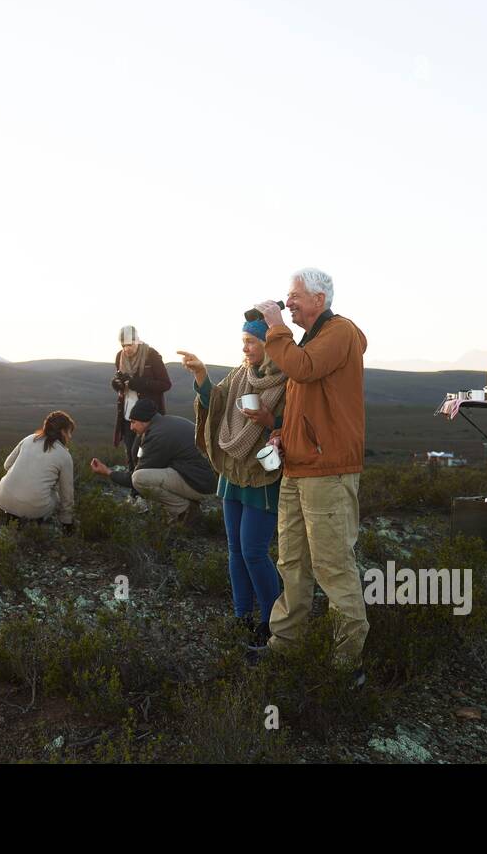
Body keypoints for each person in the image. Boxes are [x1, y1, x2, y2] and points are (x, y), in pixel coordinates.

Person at [252, 267, 369, 688]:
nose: (290, 302)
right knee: (293, 563)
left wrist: (276, 328)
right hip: (298, 469)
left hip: (328, 472)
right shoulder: (309, 341)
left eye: (295, 295)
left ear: (320, 298)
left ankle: (346, 665)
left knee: (333, 566)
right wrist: (283, 434)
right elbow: (306, 400)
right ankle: (286, 645)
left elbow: (302, 369)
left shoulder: (340, 333)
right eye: (288, 296)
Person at [177, 318, 287, 651]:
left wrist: (271, 422)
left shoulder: (288, 380)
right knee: (235, 551)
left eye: (251, 342)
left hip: (263, 475)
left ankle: (271, 622)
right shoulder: (240, 374)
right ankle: (242, 617)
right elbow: (217, 402)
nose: (245, 348)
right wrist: (201, 377)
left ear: (269, 345)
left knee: (254, 552)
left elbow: (296, 423)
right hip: (232, 474)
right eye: (243, 341)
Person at [90, 398, 215, 526]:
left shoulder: (157, 435)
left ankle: (185, 510)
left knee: (140, 479)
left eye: (133, 422)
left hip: (201, 484)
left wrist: (108, 472)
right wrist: (139, 440)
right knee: (148, 474)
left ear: (145, 421)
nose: (131, 427)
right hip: (204, 479)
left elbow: (135, 476)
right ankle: (187, 505)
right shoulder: (164, 423)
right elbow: (139, 455)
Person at [0, 410, 77, 530]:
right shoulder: (64, 455)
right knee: (57, 494)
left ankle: (13, 516)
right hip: (34, 507)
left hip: (2, 499)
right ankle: (37, 522)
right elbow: (67, 494)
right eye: (69, 432)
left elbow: (7, 465)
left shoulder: (29, 439)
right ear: (63, 432)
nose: (70, 436)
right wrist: (67, 521)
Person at [111, 325, 172, 474]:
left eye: (130, 344)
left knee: (144, 454)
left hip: (148, 417)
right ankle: (134, 492)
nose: (127, 349)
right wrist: (117, 383)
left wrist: (138, 383)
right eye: (123, 345)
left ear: (137, 340)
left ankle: (147, 489)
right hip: (127, 415)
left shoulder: (151, 355)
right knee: (131, 456)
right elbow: (120, 380)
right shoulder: (120, 356)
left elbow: (165, 384)